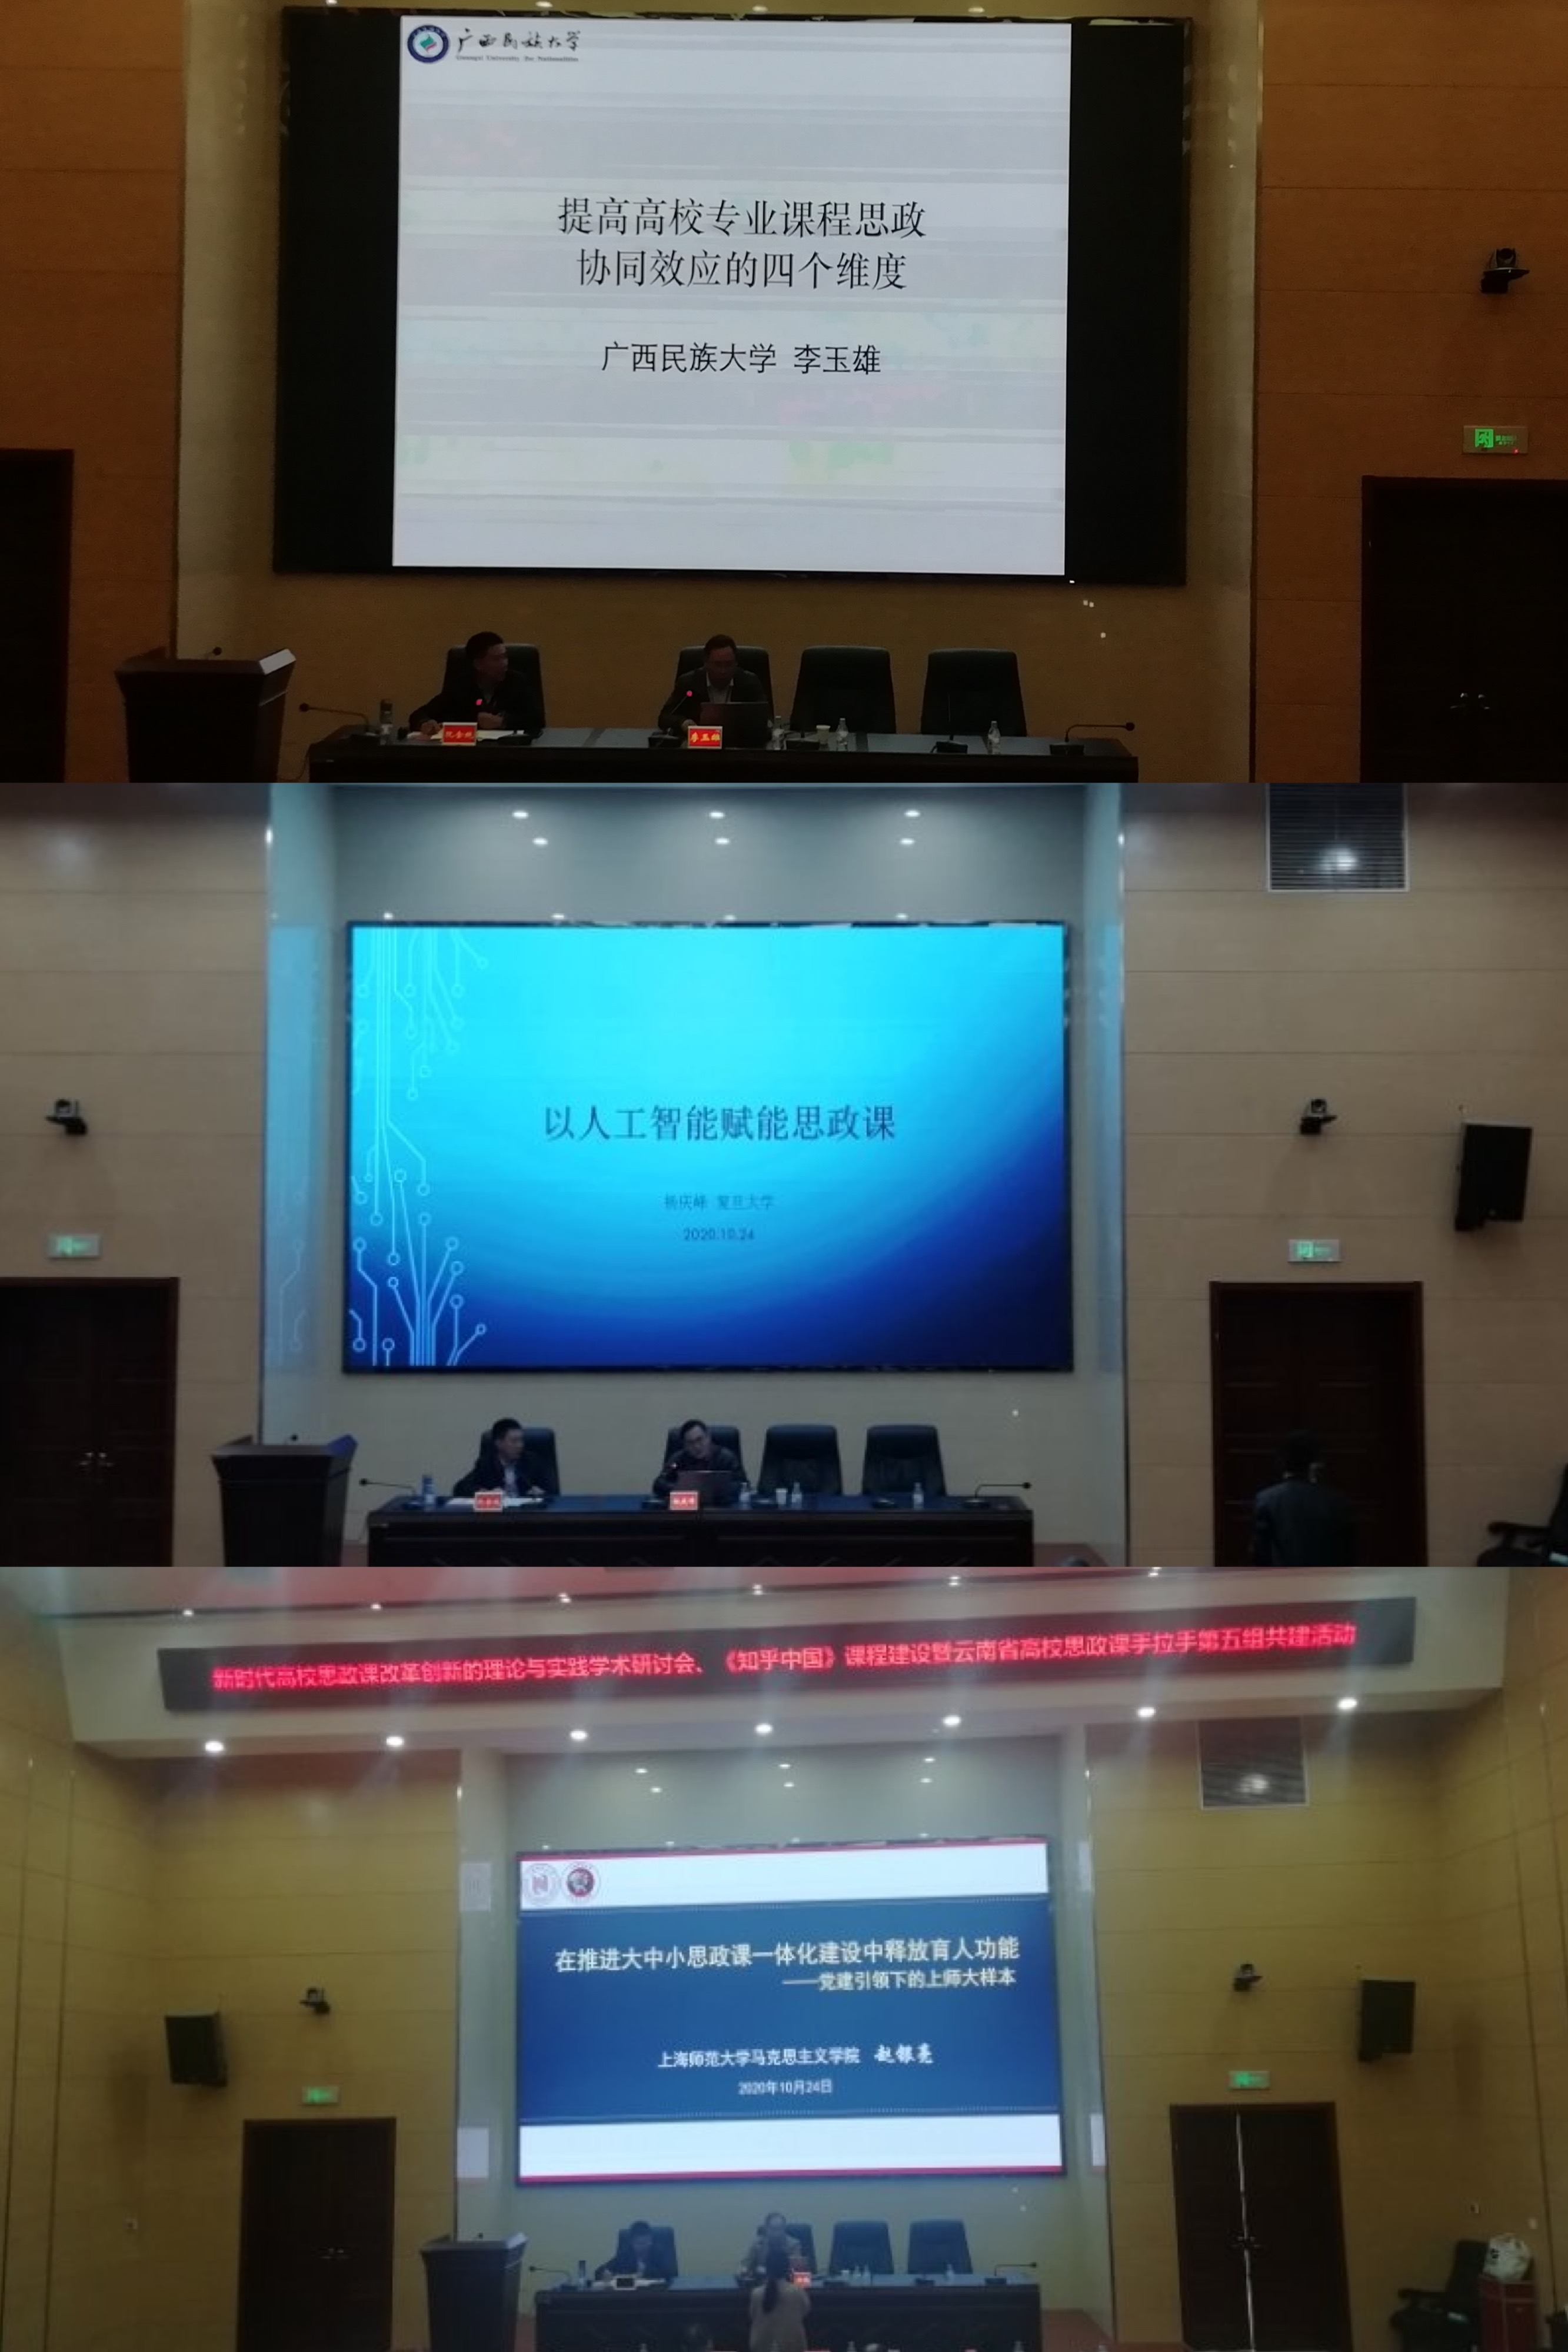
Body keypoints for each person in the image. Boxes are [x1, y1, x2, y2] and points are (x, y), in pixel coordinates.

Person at [1251, 1430, 1357, 1566]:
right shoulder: (1336, 1501)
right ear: (1314, 1463)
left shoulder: (1266, 1499)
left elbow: (1261, 1553)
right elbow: (1347, 1554)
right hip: (1325, 1576)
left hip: (1282, 1577)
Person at [411, 630, 543, 737]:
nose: (504, 663)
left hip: (511, 753)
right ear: (478, 664)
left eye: (505, 657)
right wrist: (425, 723)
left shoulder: (518, 683)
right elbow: (419, 715)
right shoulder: (461, 686)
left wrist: (502, 722)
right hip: (469, 754)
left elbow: (537, 720)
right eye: (496, 659)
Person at [658, 635, 770, 730]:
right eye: (718, 664)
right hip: (700, 744)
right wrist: (683, 723)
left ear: (736, 663)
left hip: (741, 743)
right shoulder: (689, 684)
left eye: (728, 664)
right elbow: (665, 717)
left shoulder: (750, 683)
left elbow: (766, 718)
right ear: (706, 662)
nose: (723, 671)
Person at [453, 1417, 547, 1499]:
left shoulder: (532, 1461)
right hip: (498, 1513)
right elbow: (460, 1488)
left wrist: (541, 1492)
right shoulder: (486, 1464)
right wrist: (486, 1493)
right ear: (499, 1443)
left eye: (521, 1440)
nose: (520, 1445)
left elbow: (551, 1489)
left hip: (527, 1512)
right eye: (514, 1441)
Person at [654, 1418, 743, 1503]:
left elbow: (742, 1484)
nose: (697, 1447)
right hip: (686, 1508)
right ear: (685, 1445)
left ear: (708, 1438)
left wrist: (716, 1490)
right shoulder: (677, 1461)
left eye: (700, 1440)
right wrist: (680, 1489)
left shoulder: (726, 1458)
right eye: (690, 1443)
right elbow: (659, 1484)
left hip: (721, 1509)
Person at [750, 2246, 810, 2352]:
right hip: (793, 2347)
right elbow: (805, 2312)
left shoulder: (756, 2294)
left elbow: (752, 2315)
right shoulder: (797, 2292)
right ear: (788, 2269)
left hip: (761, 2347)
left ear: (767, 2269)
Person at [597, 2221, 674, 2281]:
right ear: (632, 2243)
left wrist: (645, 2271)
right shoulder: (625, 2254)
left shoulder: (658, 2252)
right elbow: (599, 2272)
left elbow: (669, 2275)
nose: (646, 2246)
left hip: (655, 2294)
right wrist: (605, 2273)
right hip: (629, 2294)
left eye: (648, 2242)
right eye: (640, 2244)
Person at [739, 2214, 804, 2280]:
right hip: (761, 2281)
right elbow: (745, 2264)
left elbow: (798, 2274)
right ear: (766, 2228)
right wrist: (745, 2271)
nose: (777, 2233)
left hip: (785, 2281)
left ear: (784, 2228)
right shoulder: (758, 2244)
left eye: (780, 2229)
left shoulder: (794, 2245)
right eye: (773, 2229)